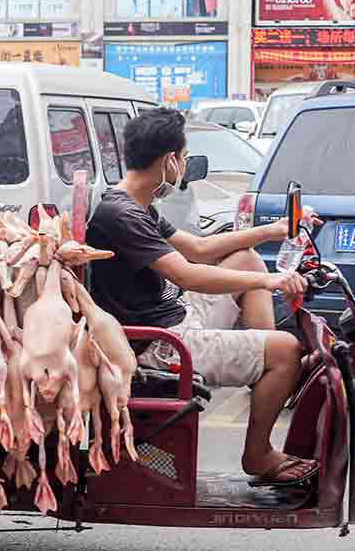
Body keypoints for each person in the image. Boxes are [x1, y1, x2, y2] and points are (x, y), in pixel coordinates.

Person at [85, 108, 319, 486]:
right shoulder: (122, 215)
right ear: (169, 161)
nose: (184, 164)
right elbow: (185, 272)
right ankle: (258, 453)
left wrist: (271, 231)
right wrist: (271, 283)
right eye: (183, 155)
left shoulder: (134, 204)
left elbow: (198, 246)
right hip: (157, 345)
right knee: (287, 350)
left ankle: (263, 363)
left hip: (173, 318)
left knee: (247, 261)